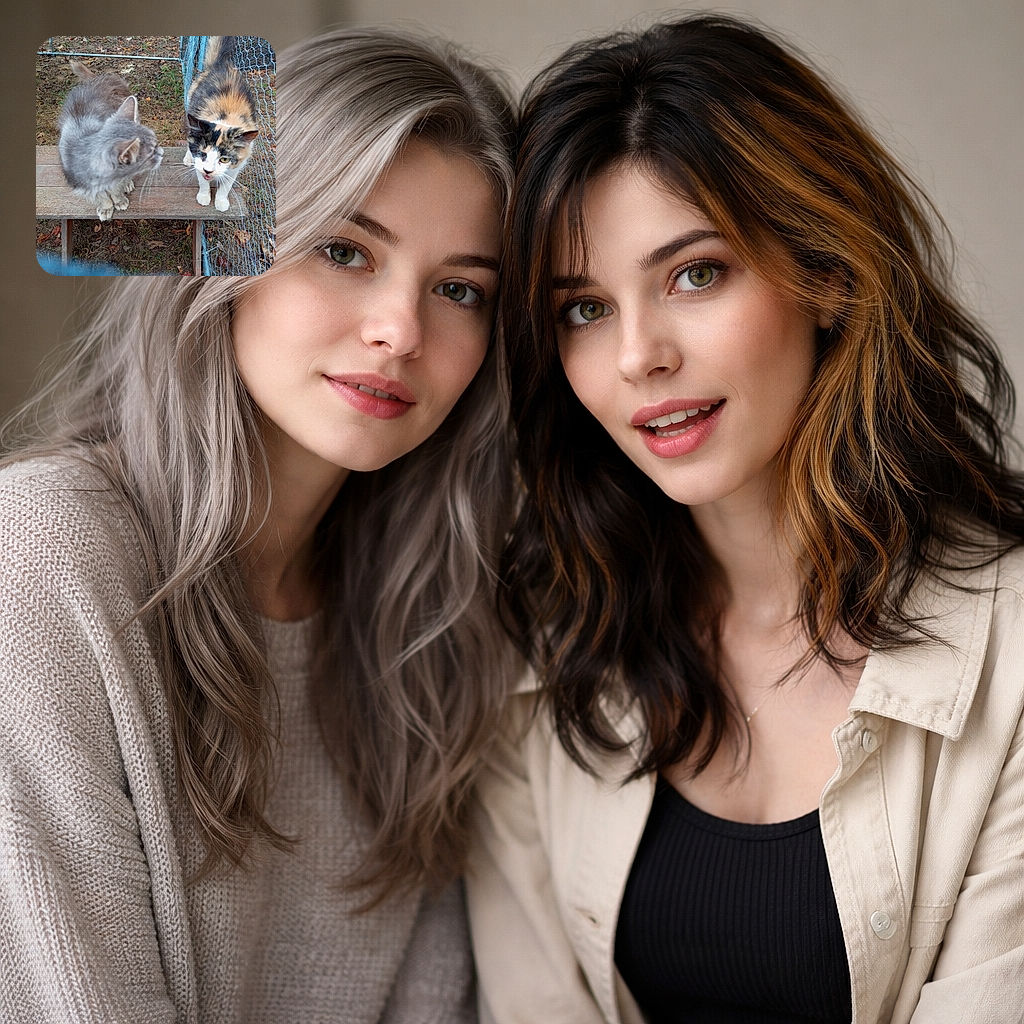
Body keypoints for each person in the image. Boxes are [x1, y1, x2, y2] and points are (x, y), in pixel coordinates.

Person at [466, 13, 1024, 1024]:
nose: (639, 356)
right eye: (583, 309)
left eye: (694, 272)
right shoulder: (542, 647)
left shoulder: (1012, 643)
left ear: (827, 271)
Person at [1, 26, 518, 1023]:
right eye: (343, 249)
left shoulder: (438, 609)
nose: (401, 329)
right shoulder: (42, 553)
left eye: (460, 289)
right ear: (215, 258)